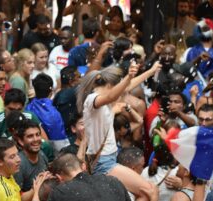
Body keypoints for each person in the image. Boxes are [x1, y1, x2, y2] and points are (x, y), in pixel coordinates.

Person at [76, 64, 161, 200]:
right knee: (150, 190)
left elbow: (127, 87)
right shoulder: (93, 99)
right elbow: (111, 96)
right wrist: (127, 77)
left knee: (147, 192)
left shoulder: (105, 101)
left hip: (107, 159)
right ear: (111, 85)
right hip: (103, 162)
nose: (123, 94)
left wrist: (150, 71)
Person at [48, 153, 131, 201]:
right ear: (84, 166)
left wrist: (36, 192)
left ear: (59, 177)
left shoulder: (60, 192)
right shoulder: (112, 181)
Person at [26, 73, 70, 153]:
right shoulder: (54, 113)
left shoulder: (28, 108)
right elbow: (60, 143)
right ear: (51, 91)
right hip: (52, 152)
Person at [14, 119, 48, 192]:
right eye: (30, 136)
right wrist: (37, 186)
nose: (36, 139)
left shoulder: (41, 154)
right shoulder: (19, 163)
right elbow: (18, 196)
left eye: (38, 134)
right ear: (21, 141)